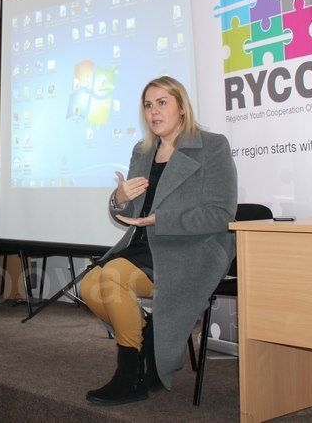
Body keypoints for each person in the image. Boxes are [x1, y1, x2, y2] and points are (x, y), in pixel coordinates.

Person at [79, 76, 237, 406]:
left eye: (162, 102)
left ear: (182, 108)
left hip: (190, 249)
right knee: (88, 286)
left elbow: (221, 215)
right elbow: (128, 213)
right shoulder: (142, 151)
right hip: (144, 245)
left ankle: (130, 374)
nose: (154, 111)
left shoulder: (212, 146)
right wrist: (119, 198)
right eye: (148, 105)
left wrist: (161, 220)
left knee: (114, 276)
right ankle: (147, 341)